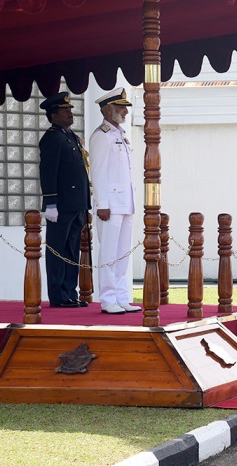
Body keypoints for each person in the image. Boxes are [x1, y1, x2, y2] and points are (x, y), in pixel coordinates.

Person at [89, 88, 141, 315]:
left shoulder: (120, 134)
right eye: (121, 108)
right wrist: (102, 204)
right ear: (108, 109)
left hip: (125, 202)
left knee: (122, 255)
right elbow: (98, 172)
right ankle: (108, 299)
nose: (125, 112)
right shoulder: (101, 136)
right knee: (109, 254)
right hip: (109, 205)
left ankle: (122, 297)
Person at [39, 92, 91, 308]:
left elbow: (80, 172)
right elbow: (48, 172)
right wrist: (50, 203)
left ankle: (70, 292)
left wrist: (85, 203)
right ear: (54, 116)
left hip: (76, 204)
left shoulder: (71, 137)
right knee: (57, 250)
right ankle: (58, 295)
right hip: (60, 205)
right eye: (65, 110)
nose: (70, 113)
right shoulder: (52, 138)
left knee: (72, 249)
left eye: (70, 109)